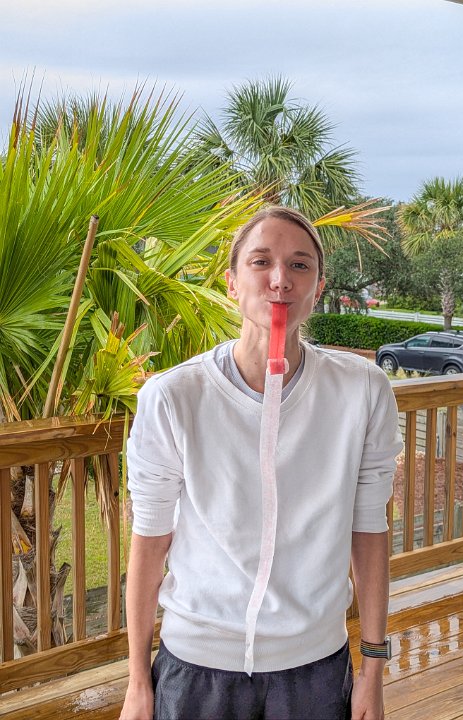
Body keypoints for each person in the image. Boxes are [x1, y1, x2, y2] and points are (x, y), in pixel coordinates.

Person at [120, 205, 403, 720]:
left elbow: (368, 530)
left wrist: (373, 670)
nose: (280, 279)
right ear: (232, 282)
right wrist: (139, 681)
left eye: (300, 265)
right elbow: (150, 540)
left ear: (318, 287)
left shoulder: (362, 390)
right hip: (198, 664)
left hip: (315, 665)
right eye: (260, 261)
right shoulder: (174, 397)